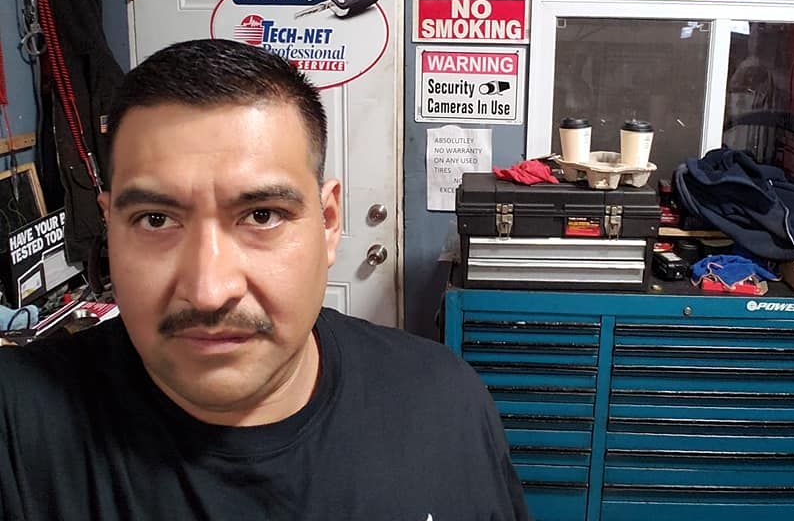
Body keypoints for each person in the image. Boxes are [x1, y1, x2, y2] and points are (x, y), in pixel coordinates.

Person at [0, 39, 529, 520]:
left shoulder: (445, 403)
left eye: (261, 216)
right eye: (156, 220)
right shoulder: (18, 425)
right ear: (110, 224)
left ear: (327, 222)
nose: (209, 290)